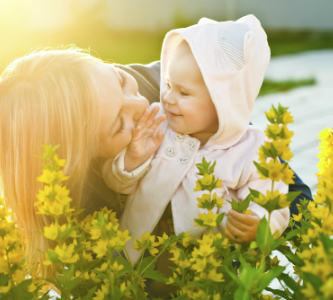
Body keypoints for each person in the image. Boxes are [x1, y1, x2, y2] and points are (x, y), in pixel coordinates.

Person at [0, 30, 312, 289]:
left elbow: (294, 196)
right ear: (78, 160)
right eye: (120, 125)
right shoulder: (73, 200)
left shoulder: (175, 88)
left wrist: (260, 225)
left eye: (122, 82)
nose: (142, 107)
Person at [102, 15, 291, 268]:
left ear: (223, 101)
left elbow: (272, 199)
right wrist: (132, 160)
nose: (168, 98)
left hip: (208, 272)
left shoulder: (252, 150)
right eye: (168, 84)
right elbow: (116, 184)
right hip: (138, 260)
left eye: (183, 92)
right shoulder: (157, 124)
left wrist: (259, 223)